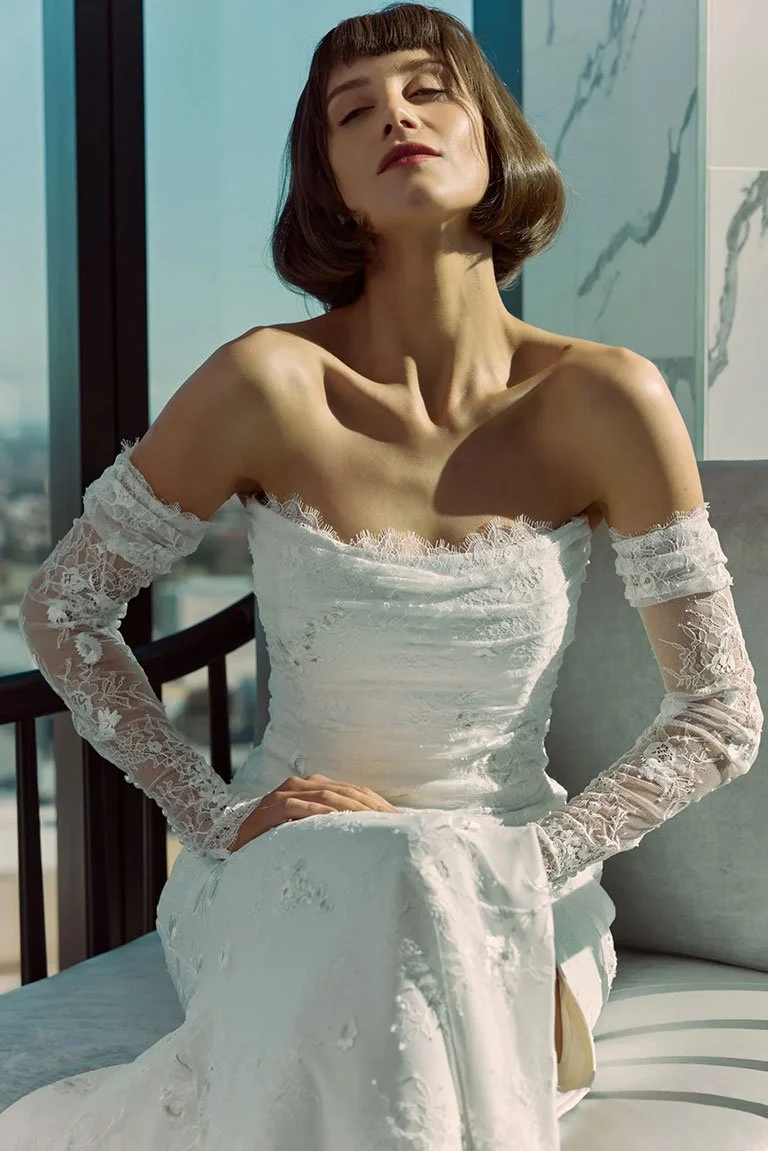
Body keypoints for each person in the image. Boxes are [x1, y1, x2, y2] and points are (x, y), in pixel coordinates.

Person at [1, 4, 762, 1147]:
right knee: (372, 889)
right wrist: (215, 813)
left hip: (517, 877)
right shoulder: (267, 380)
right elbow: (63, 609)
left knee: (413, 884)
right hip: (281, 867)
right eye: (353, 111)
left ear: (493, 136)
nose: (395, 115)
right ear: (334, 185)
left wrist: (526, 857)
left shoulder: (607, 398)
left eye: (428, 89)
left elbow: (719, 711)